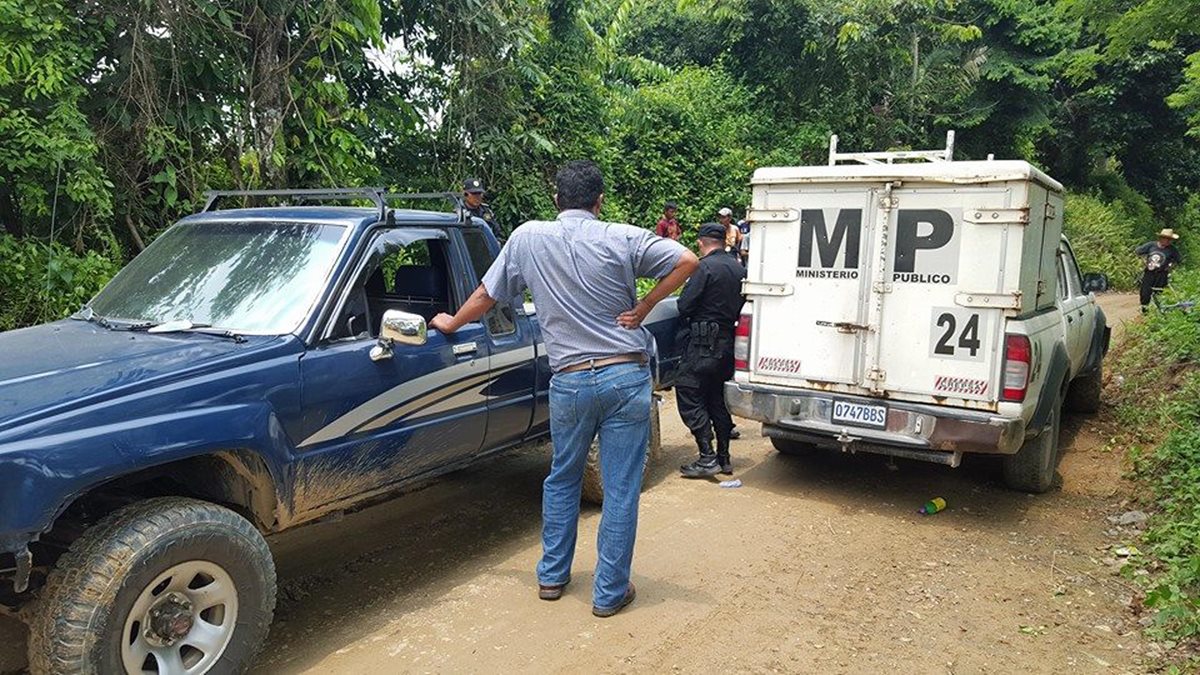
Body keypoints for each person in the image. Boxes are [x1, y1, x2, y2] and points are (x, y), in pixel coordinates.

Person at [430, 160, 697, 618]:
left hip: (569, 381)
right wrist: (645, 304)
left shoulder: (527, 237)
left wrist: (451, 322)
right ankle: (609, 593)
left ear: (556, 200)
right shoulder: (621, 235)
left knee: (562, 477)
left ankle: (552, 576)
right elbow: (687, 259)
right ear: (599, 202)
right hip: (624, 375)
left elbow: (485, 295)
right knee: (619, 488)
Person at [677, 223, 747, 478]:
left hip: (702, 345)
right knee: (717, 398)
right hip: (728, 344)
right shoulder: (739, 268)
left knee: (688, 391)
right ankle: (724, 458)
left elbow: (685, 305)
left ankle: (707, 456)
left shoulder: (703, 267)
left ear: (700, 242)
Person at [1135, 228, 1182, 311]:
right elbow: (1138, 251)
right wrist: (1143, 261)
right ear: (1161, 238)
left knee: (1159, 293)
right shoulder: (1151, 245)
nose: (1168, 241)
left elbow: (1178, 260)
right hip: (1149, 273)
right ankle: (1145, 311)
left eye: (1169, 239)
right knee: (1145, 293)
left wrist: (1170, 267)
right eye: (1166, 239)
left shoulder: (1172, 249)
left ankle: (1158, 311)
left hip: (1162, 274)